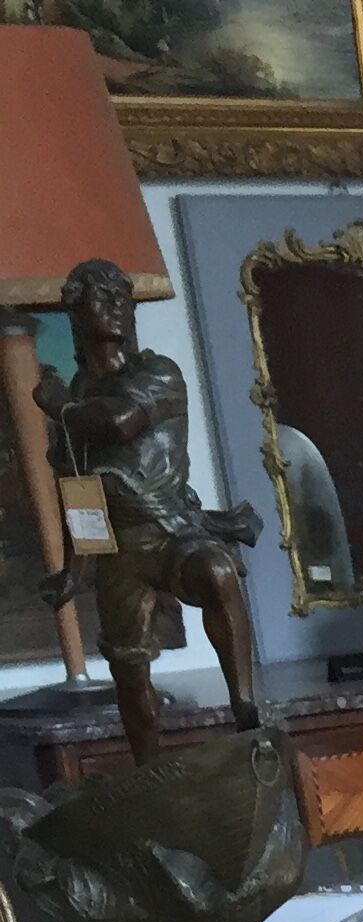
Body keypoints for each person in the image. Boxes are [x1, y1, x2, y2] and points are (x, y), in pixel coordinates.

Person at [34, 256, 263, 766]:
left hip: (172, 529)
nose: (118, 305)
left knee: (217, 571)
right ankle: (148, 773)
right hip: (120, 546)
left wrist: (60, 408)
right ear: (75, 312)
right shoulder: (76, 395)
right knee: (130, 674)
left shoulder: (158, 373)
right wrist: (73, 571)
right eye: (102, 296)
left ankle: (245, 708)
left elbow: (119, 423)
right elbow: (76, 489)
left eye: (123, 296)